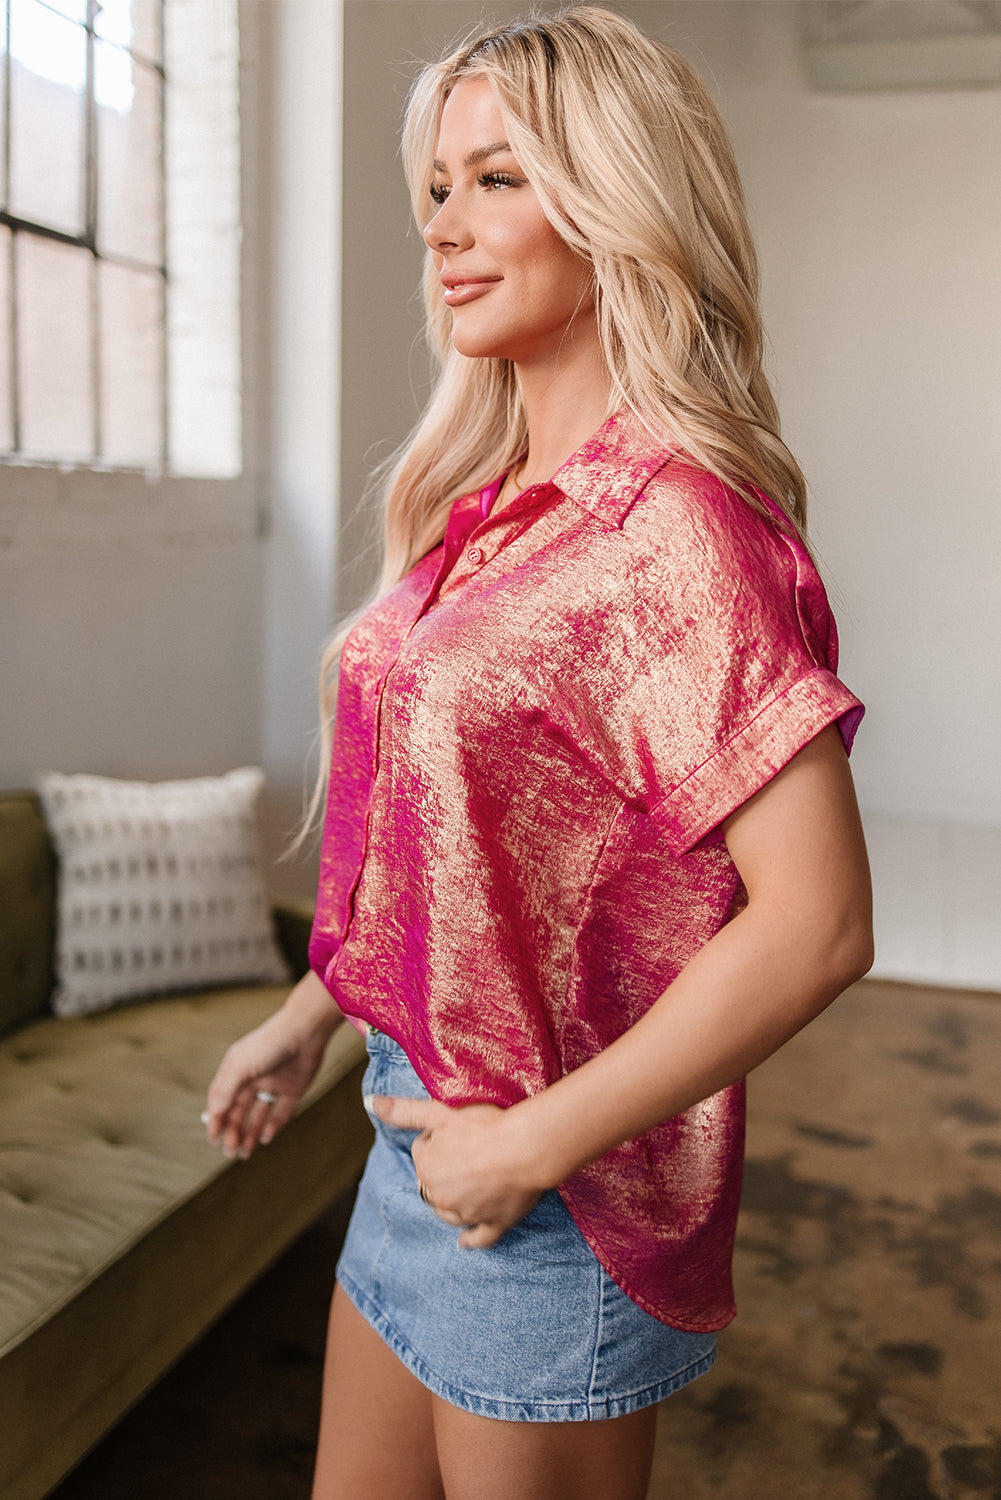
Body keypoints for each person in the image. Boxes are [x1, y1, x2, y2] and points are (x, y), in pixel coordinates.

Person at [203, 8, 873, 1498]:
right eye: (437, 186)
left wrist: (530, 1150)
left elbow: (819, 924)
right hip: (412, 1137)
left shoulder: (677, 529)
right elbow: (458, 851)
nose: (442, 224)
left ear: (615, 200)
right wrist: (314, 1014)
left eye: (497, 178)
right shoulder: (487, 503)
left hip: (553, 1196)